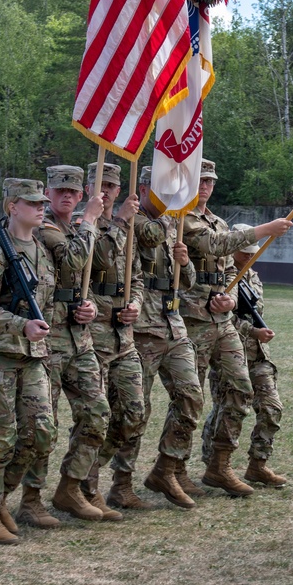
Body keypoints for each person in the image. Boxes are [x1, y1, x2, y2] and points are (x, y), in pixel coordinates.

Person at [180, 159, 292, 497]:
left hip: (223, 323)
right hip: (193, 321)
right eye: (200, 180)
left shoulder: (216, 222)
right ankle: (178, 468)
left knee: (245, 394)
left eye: (210, 181)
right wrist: (264, 229)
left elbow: (227, 268)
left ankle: (224, 465)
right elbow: (215, 246)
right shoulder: (181, 220)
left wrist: (226, 296)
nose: (205, 186)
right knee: (190, 400)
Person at [17, 165, 108, 528]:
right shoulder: (44, 227)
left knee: (97, 413)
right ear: (48, 195)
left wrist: (92, 305)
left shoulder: (76, 228)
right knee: (44, 425)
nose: (66, 196)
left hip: (79, 337)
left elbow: (94, 274)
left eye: (73, 191)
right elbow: (73, 259)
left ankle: (70, 487)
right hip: (49, 340)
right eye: (59, 191)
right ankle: (30, 499)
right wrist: (90, 219)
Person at [0, 178, 55, 545]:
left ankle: (0, 498)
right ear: (12, 207)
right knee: (0, 438)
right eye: (31, 202)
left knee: (40, 434)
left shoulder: (41, 250)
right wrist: (21, 325)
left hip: (30, 356)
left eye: (42, 202)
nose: (41, 207)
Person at [114, 165, 203, 509]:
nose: (169, 195)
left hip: (172, 324)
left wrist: (186, 262)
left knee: (191, 395)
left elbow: (186, 282)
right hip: (142, 329)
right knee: (137, 410)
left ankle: (167, 467)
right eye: (163, 188)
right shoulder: (133, 223)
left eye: (174, 188)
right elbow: (145, 238)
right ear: (145, 186)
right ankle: (121, 482)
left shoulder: (170, 222)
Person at [80, 161, 147, 515]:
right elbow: (93, 257)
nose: (104, 191)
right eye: (98, 184)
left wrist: (135, 303)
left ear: (118, 190)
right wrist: (118, 220)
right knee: (97, 416)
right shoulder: (82, 224)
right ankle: (85, 486)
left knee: (134, 413)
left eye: (110, 185)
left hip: (124, 336)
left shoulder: (128, 228)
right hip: (93, 336)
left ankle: (95, 479)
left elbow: (135, 277)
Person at [201, 226, 287, 488]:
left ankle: (258, 465)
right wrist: (253, 331)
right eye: (244, 251)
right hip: (228, 352)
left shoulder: (253, 276)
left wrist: (259, 335)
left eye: (253, 252)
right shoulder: (221, 274)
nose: (249, 256)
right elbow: (220, 317)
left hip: (258, 355)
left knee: (272, 408)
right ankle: (214, 463)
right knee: (226, 409)